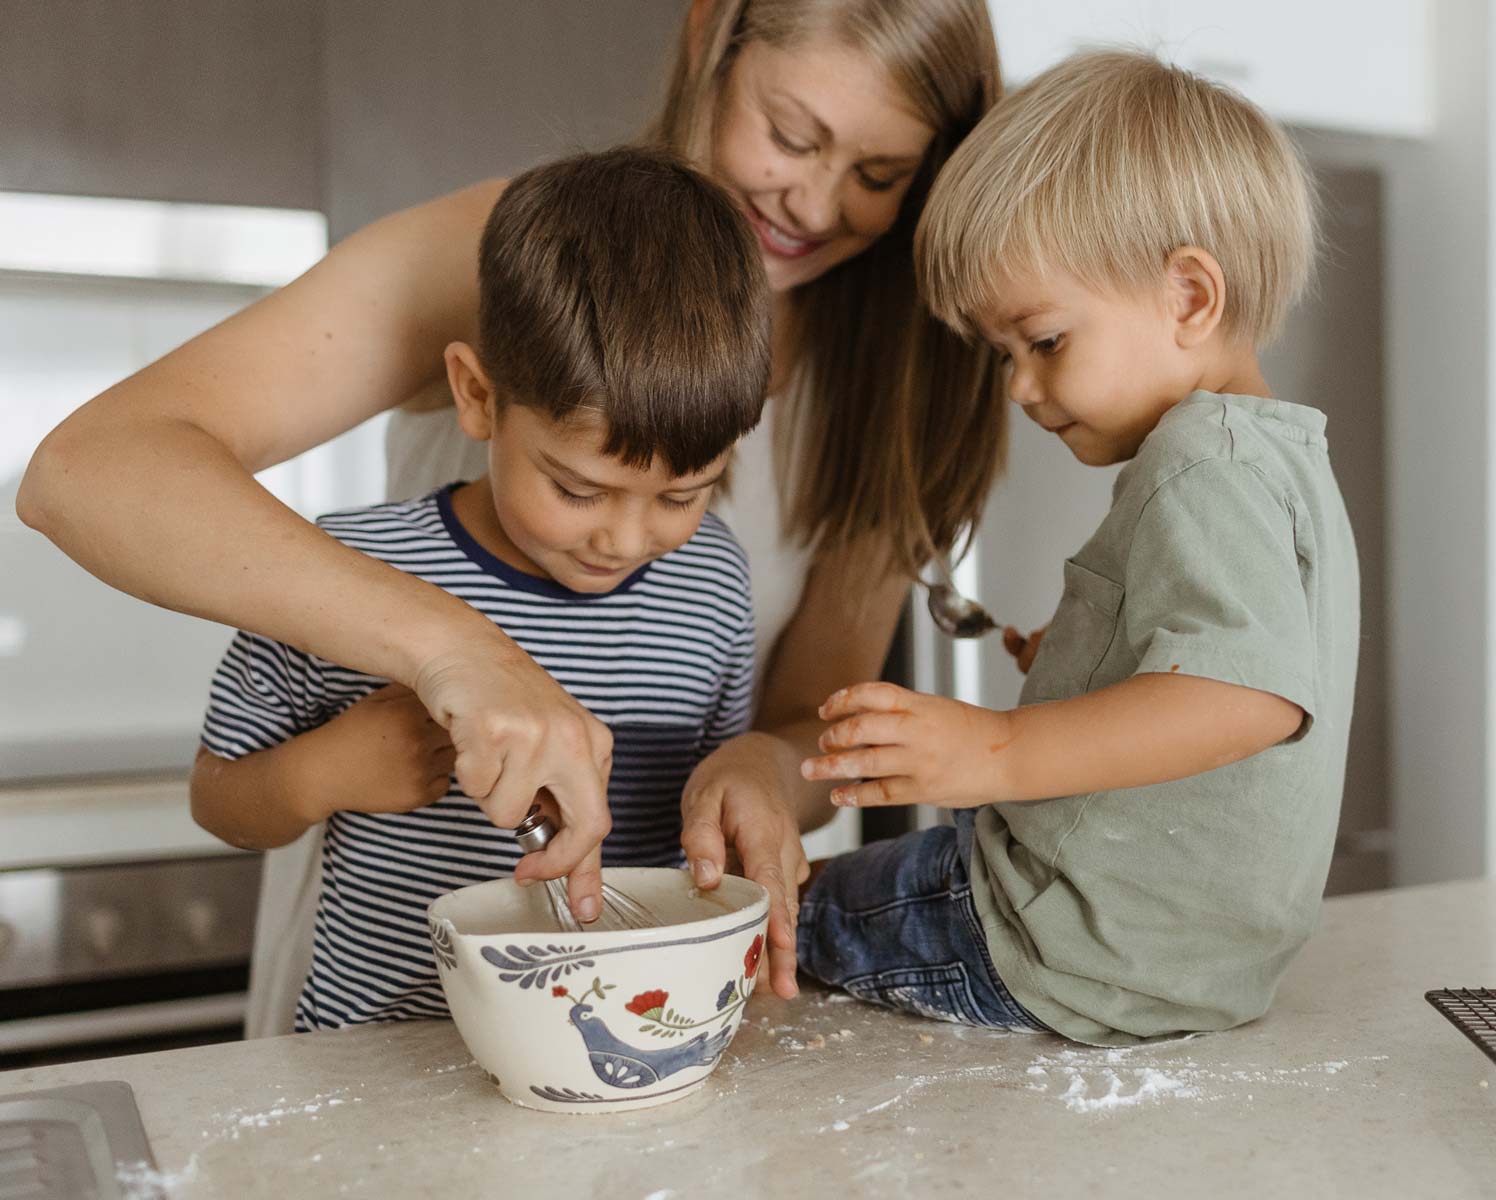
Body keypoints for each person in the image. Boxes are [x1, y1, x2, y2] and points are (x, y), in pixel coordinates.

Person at [15, 0, 1005, 1033]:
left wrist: (767, 766)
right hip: (391, 995)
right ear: (709, 38)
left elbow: (810, 711)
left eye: (879, 176)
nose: (812, 201)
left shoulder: (903, 372)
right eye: (791, 135)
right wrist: (457, 651)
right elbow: (86, 472)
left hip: (647, 986)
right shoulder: (504, 256)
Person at [796, 50, 1360, 1045]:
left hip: (1049, 941)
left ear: (1190, 298)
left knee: (795, 912)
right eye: (1003, 356)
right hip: (1186, 966)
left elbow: (1247, 695)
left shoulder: (1199, 456)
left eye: (1043, 340)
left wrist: (996, 748)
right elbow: (1237, 646)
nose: (1018, 388)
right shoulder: (1284, 458)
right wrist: (1087, 649)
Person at [193, 147, 767, 1030]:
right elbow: (220, 802)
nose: (625, 538)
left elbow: (711, 810)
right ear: (477, 396)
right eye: (578, 489)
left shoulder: (713, 581)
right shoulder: (342, 575)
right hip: (373, 1072)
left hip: (606, 1051)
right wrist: (326, 771)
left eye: (684, 495)